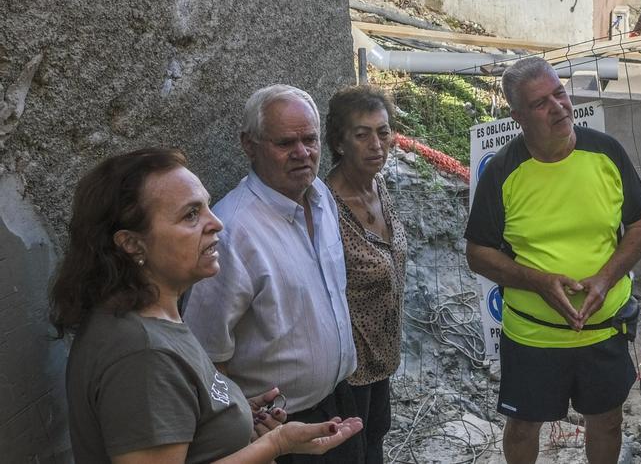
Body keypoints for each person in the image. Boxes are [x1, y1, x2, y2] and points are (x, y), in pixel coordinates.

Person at [49, 148, 363, 463]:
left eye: (207, 207)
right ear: (131, 243)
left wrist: (228, 417)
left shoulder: (154, 319)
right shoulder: (142, 354)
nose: (216, 224)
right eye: (191, 215)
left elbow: (181, 418)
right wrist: (276, 444)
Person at [465, 57, 641, 464]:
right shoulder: (502, 173)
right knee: (522, 428)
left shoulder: (606, 152)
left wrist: (604, 280)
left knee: (607, 422)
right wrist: (538, 282)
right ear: (518, 117)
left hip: (604, 328)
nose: (558, 107)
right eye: (540, 103)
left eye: (560, 93)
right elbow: (478, 254)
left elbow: (640, 228)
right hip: (534, 335)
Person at [185, 85, 362, 463]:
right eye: (286, 143)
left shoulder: (320, 195)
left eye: (310, 140)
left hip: (339, 401)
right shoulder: (232, 232)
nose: (303, 153)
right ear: (249, 145)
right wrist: (237, 422)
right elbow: (203, 352)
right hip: (279, 431)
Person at [324, 85, 407, 464]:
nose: (377, 144)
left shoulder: (379, 185)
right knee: (353, 453)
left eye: (383, 131)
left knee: (377, 437)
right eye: (363, 134)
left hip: (382, 355)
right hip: (347, 369)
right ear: (340, 143)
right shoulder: (325, 207)